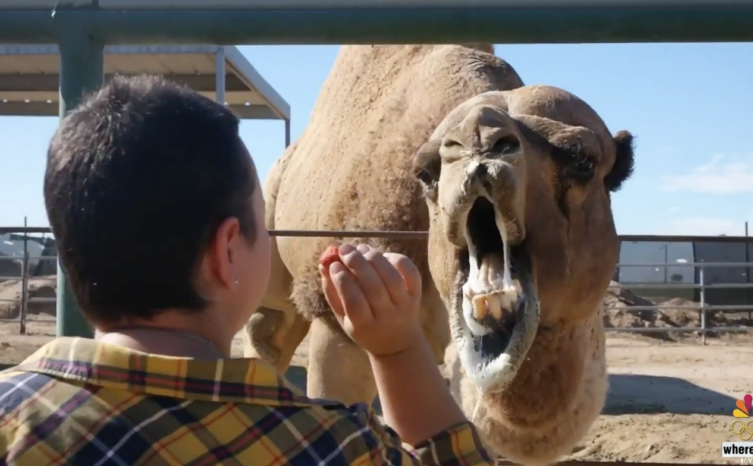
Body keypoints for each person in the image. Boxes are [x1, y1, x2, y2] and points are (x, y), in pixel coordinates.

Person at [0, 75, 492, 466]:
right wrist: (398, 350)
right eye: (263, 218)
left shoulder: (10, 417)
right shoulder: (333, 444)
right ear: (229, 251)